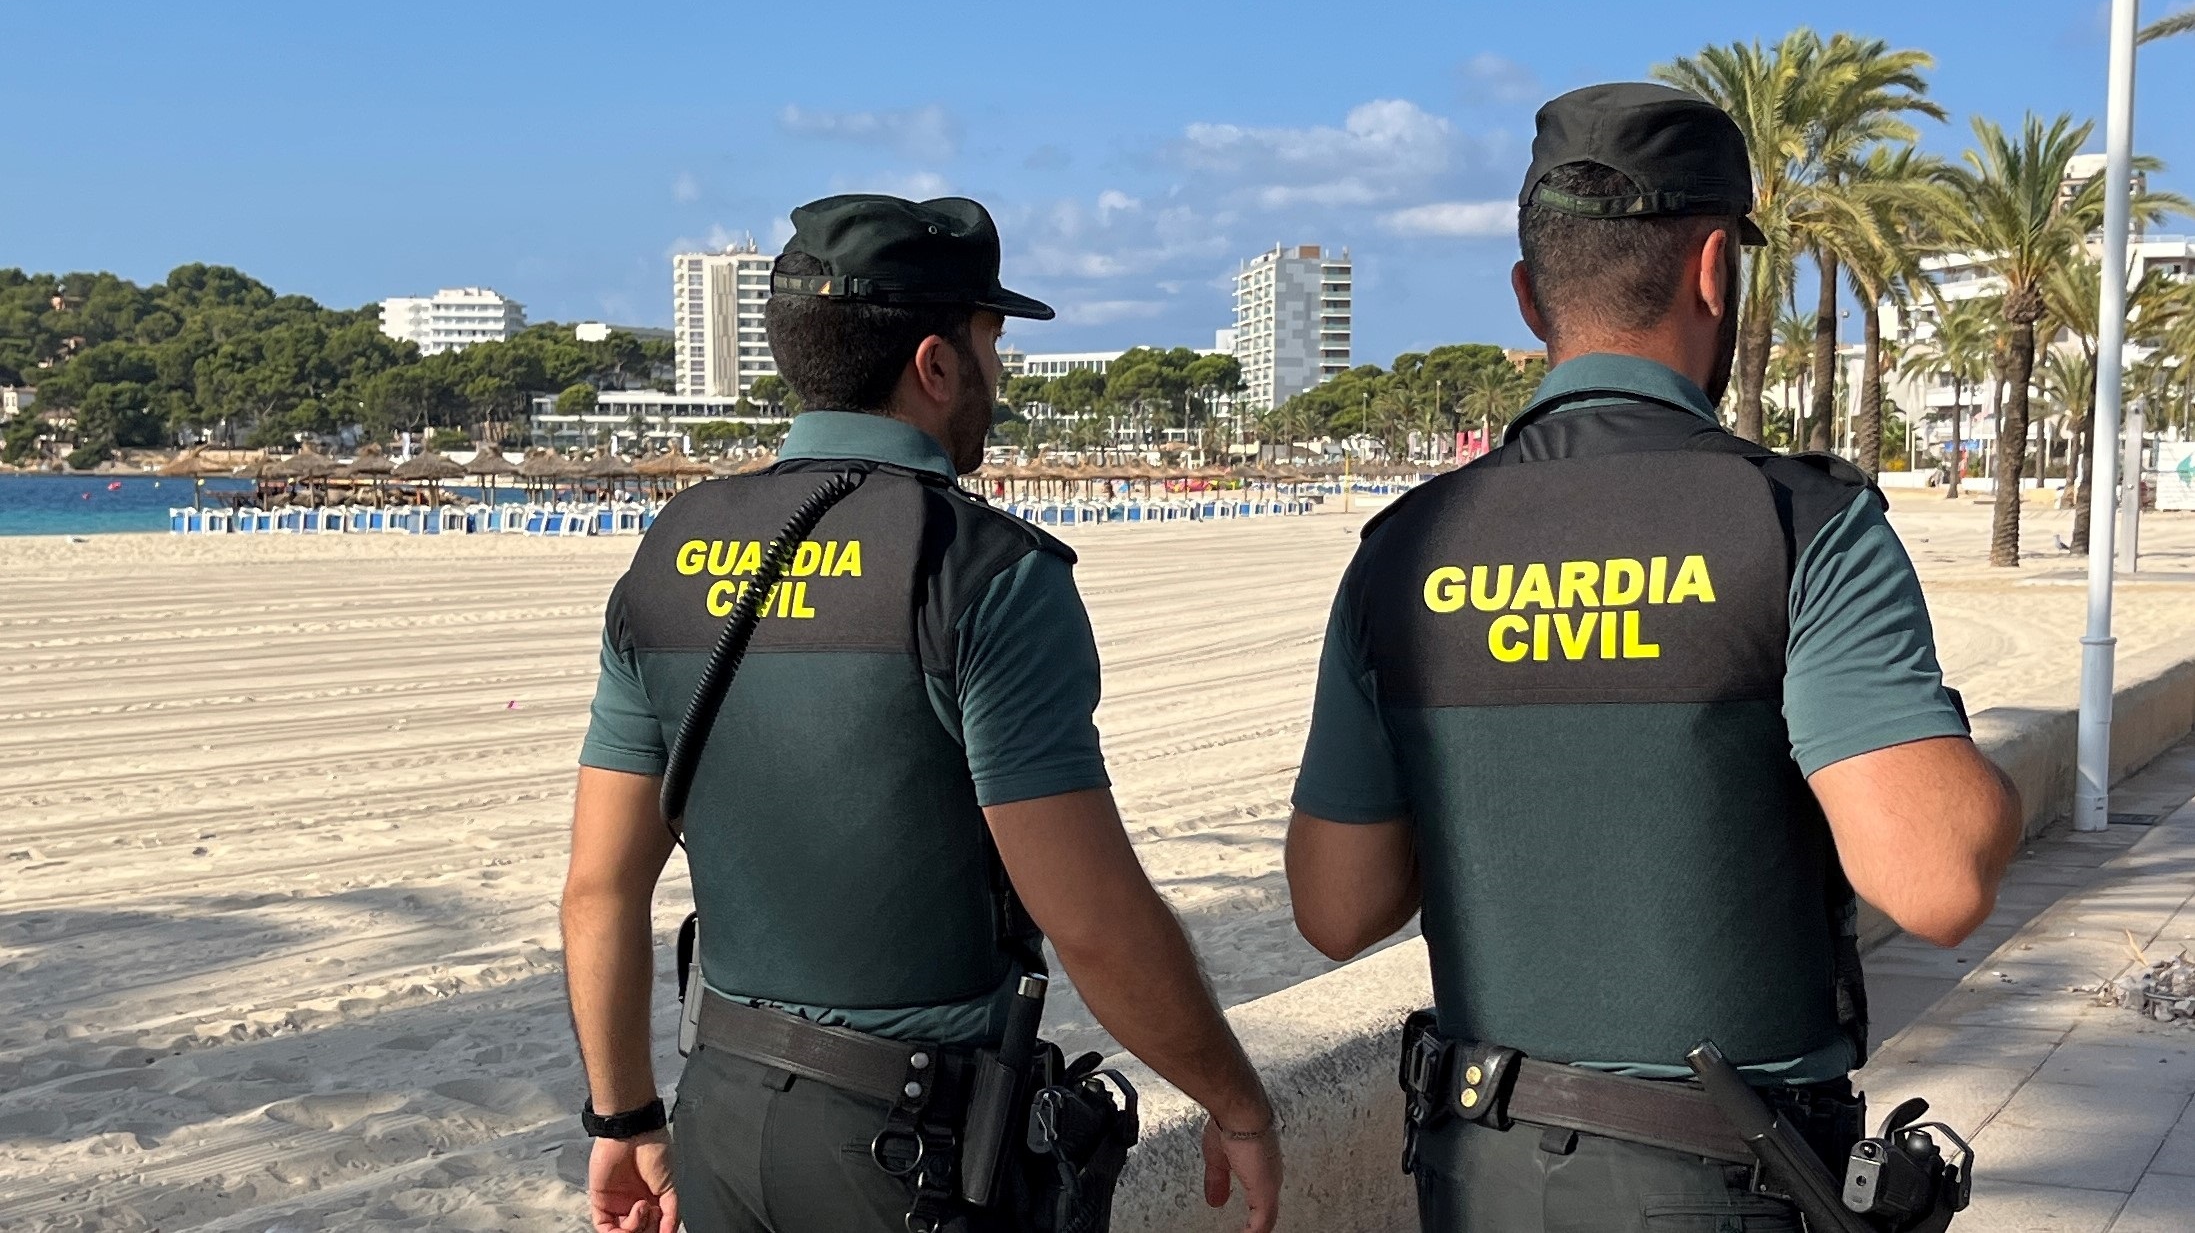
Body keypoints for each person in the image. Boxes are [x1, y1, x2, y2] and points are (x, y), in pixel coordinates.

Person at [1284, 84, 2024, 1232]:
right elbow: (1935, 881)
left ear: (1529, 298)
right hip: (1723, 1181)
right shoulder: (1794, 525)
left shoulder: (1402, 549)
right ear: (1715, 270)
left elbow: (1335, 908)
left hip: (1477, 1175)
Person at [562, 193, 1281, 1233]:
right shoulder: (983, 570)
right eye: (993, 342)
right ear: (936, 365)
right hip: (906, 1149)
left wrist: (621, 1115)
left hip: (720, 1114)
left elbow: (597, 890)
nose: (1000, 374)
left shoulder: (672, 553)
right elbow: (1091, 919)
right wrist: (1236, 1102)